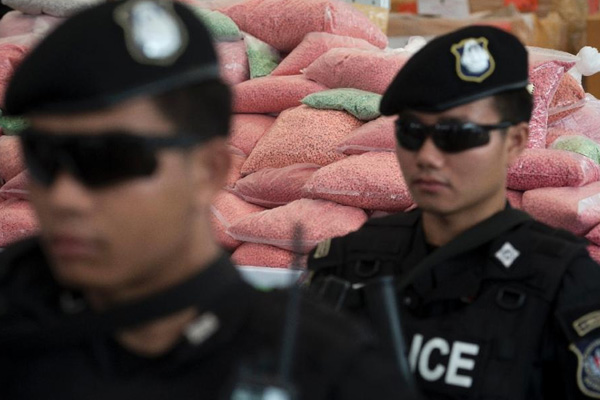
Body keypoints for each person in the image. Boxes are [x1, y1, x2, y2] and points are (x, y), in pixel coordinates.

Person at [0, 1, 417, 399]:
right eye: (43, 157)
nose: (64, 197)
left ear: (209, 170)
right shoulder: (14, 308)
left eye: (110, 160)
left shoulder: (320, 368)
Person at [307, 25, 600, 400]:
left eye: (459, 134)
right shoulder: (350, 262)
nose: (428, 156)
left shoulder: (565, 284)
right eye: (412, 131)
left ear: (515, 142)